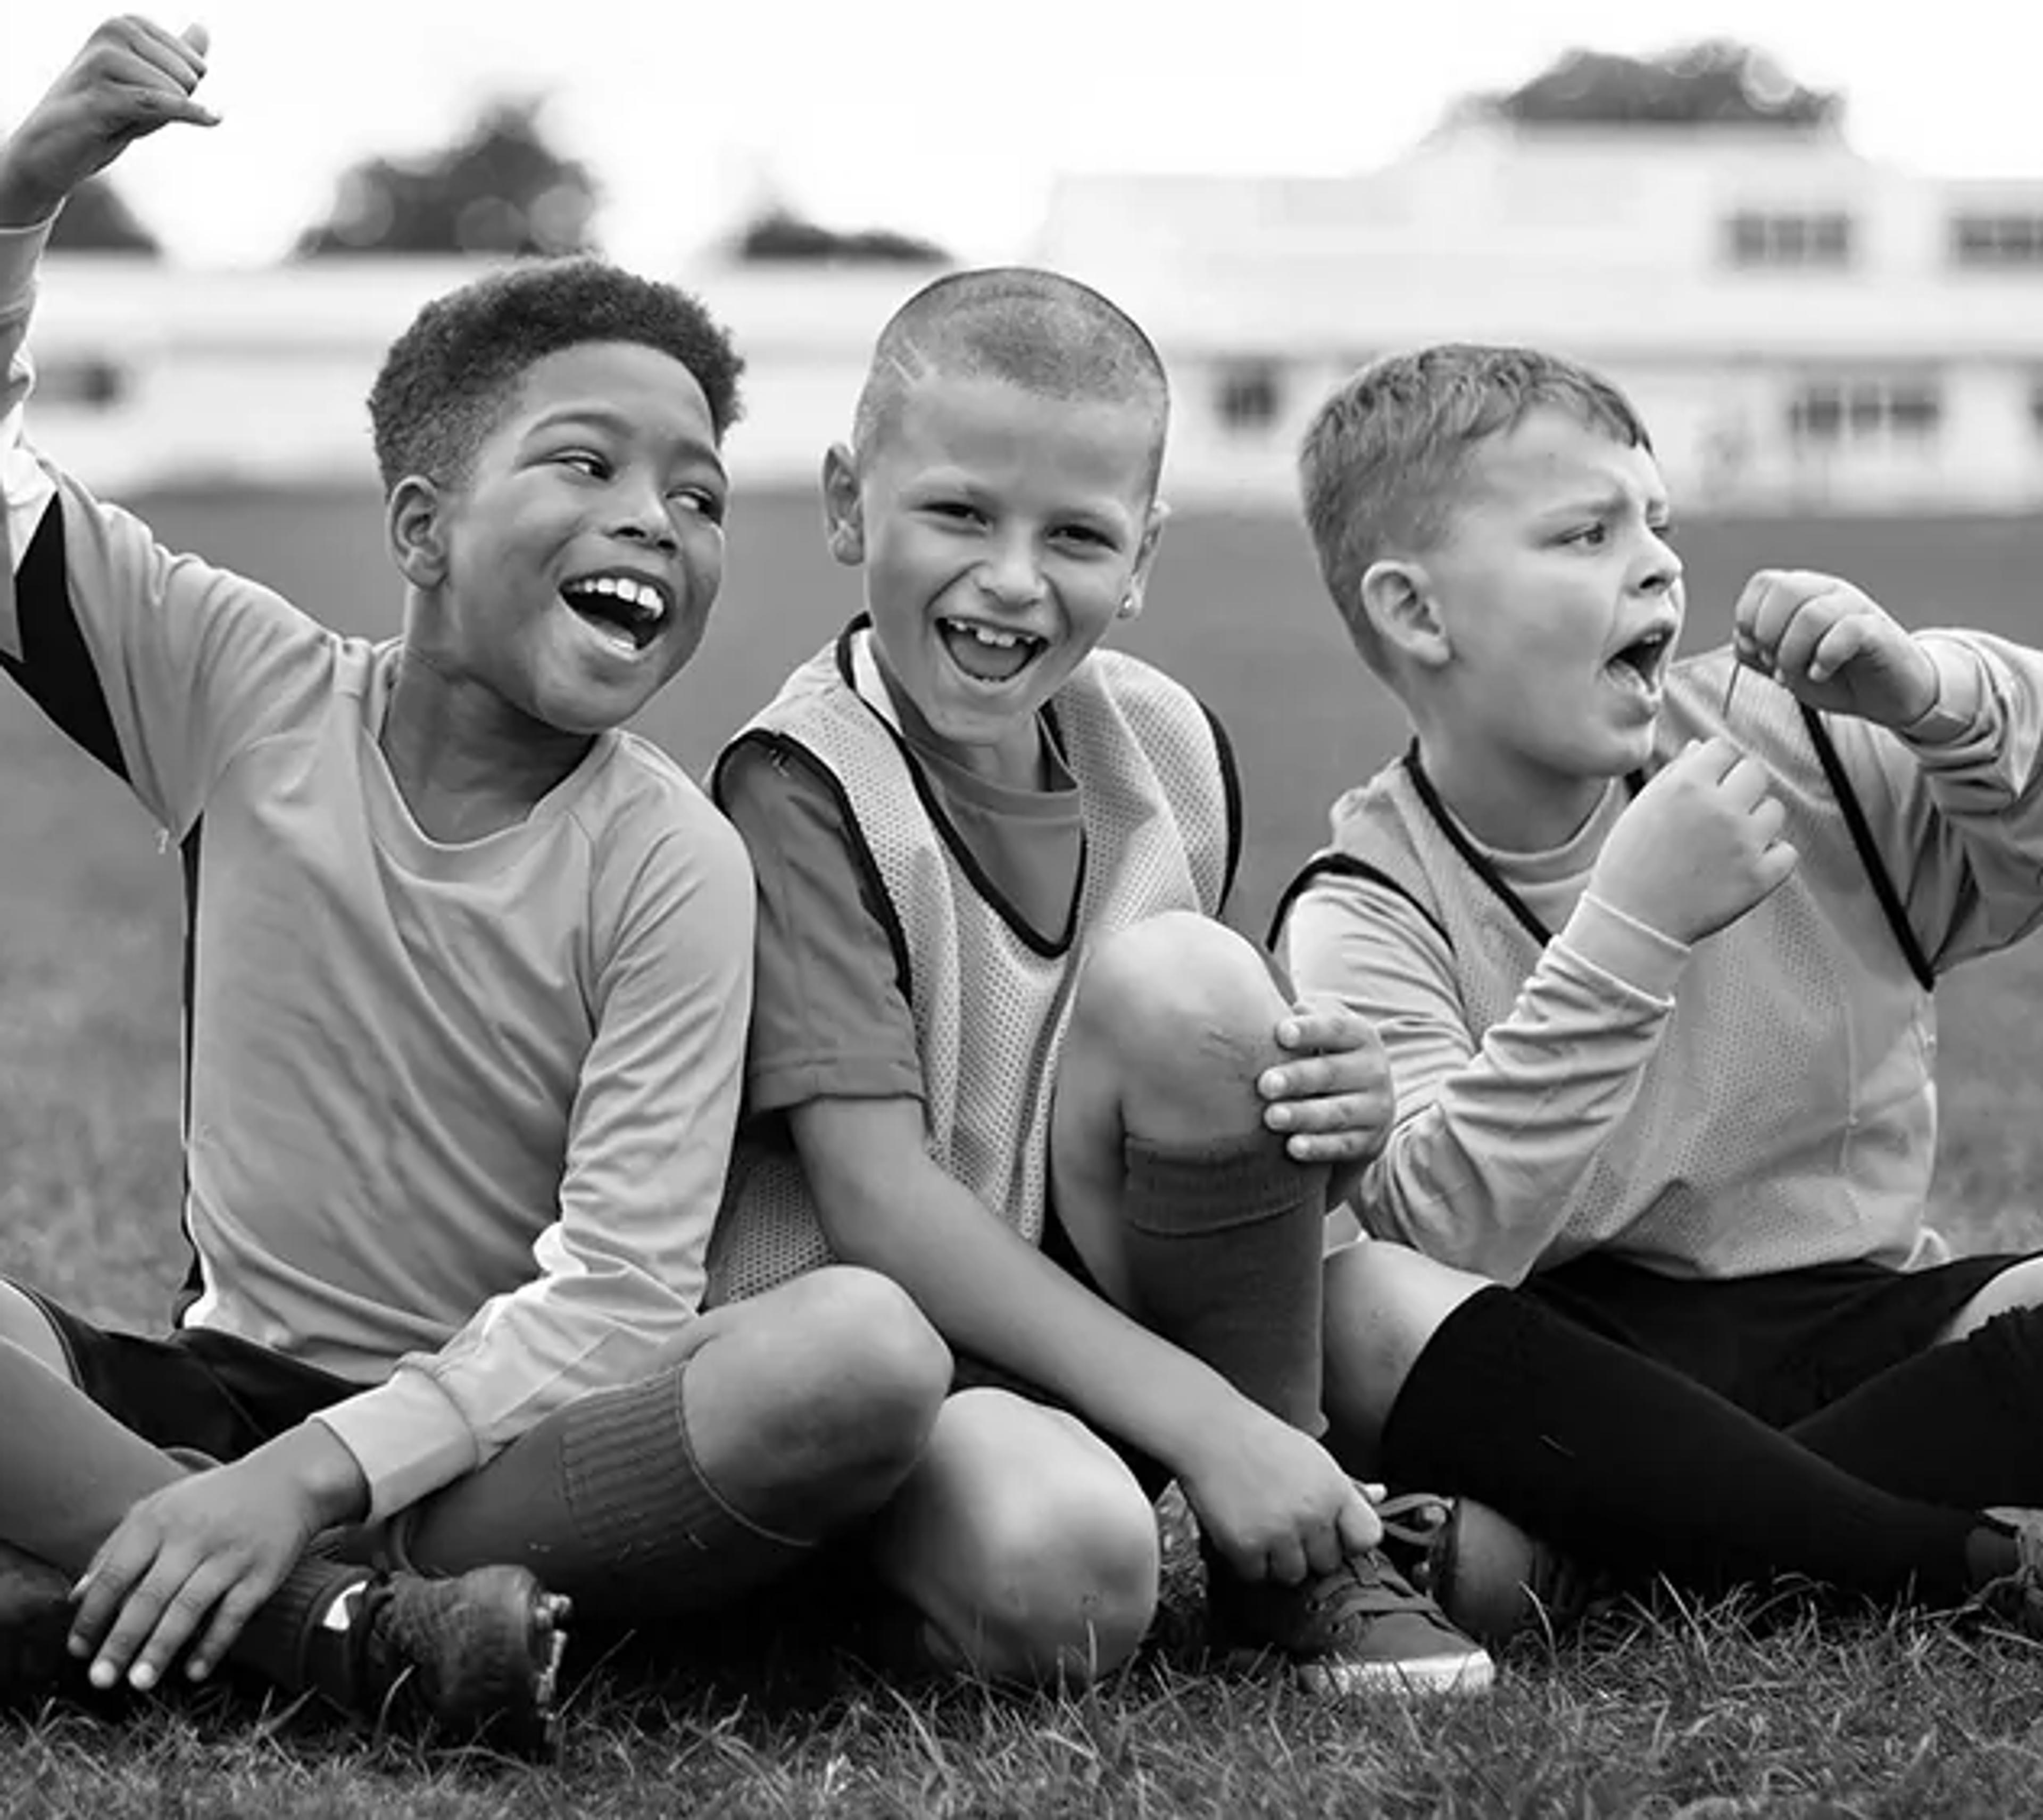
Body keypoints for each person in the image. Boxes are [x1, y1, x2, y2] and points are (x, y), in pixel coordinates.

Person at [0, 17, 951, 1749]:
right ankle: (337, 1632)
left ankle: (122, 1581)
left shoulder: (674, 855)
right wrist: (21, 190)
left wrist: (309, 1480)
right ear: (424, 528)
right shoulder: (239, 688)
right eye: (587, 465)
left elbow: (614, 1296)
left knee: (858, 1361)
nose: (657, 519)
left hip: (509, 1453)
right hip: (216, 1403)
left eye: (695, 492)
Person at [701, 265, 1493, 1696]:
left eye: (1075, 533)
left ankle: (1297, 1568)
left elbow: (1174, 1067)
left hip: (1092, 1319)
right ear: (843, 504)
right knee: (1068, 1580)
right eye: (958, 512)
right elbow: (877, 1200)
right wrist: (1214, 1419)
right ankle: (841, 1589)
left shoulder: (1161, 741)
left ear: (1141, 558)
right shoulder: (803, 785)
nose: (1013, 578)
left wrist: (1324, 1104)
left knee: (1204, 980)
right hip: (878, 1360)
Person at [1267, 341, 2043, 1642]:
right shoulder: (1366, 900)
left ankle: (1622, 1549)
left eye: (1658, 524)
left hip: (1857, 1323)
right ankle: (1943, 1559)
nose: (1658, 564)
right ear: (1416, 612)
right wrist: (1633, 929)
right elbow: (1439, 1234)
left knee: (1494, 1557)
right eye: (1583, 533)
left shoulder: (1805, 749)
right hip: (1575, 1375)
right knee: (1360, 1304)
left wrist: (1932, 695)